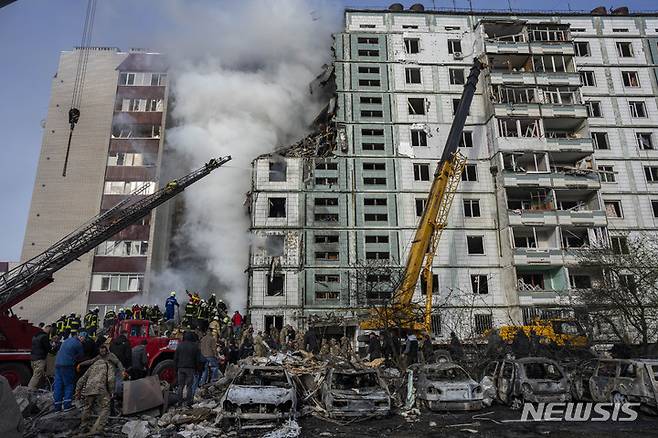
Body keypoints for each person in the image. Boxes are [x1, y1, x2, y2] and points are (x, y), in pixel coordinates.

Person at [75, 345, 115, 435]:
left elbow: (82, 379)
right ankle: (99, 428)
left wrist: (77, 391)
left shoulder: (93, 366)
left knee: (87, 407)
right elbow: (111, 379)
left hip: (89, 389)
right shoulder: (109, 365)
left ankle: (83, 426)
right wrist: (112, 392)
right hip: (100, 389)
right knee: (105, 407)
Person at [53, 331, 86, 411]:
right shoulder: (78, 344)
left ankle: (57, 406)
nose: (83, 341)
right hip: (67, 365)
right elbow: (81, 356)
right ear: (81, 337)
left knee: (58, 384)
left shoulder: (67, 340)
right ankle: (67, 405)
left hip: (57, 364)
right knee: (69, 384)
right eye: (84, 339)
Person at [174, 332, 203, 407]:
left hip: (180, 368)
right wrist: (197, 369)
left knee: (180, 386)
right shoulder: (195, 346)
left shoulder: (179, 345)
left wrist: (175, 368)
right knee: (189, 386)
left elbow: (175, 358)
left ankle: (179, 402)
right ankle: (188, 402)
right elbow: (197, 360)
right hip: (190, 368)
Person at [28, 325, 52, 389]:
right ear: (47, 329)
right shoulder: (44, 337)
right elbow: (49, 349)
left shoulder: (35, 336)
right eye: (50, 330)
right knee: (37, 376)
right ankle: (29, 391)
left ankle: (37, 390)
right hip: (40, 359)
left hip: (33, 359)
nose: (50, 332)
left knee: (38, 376)